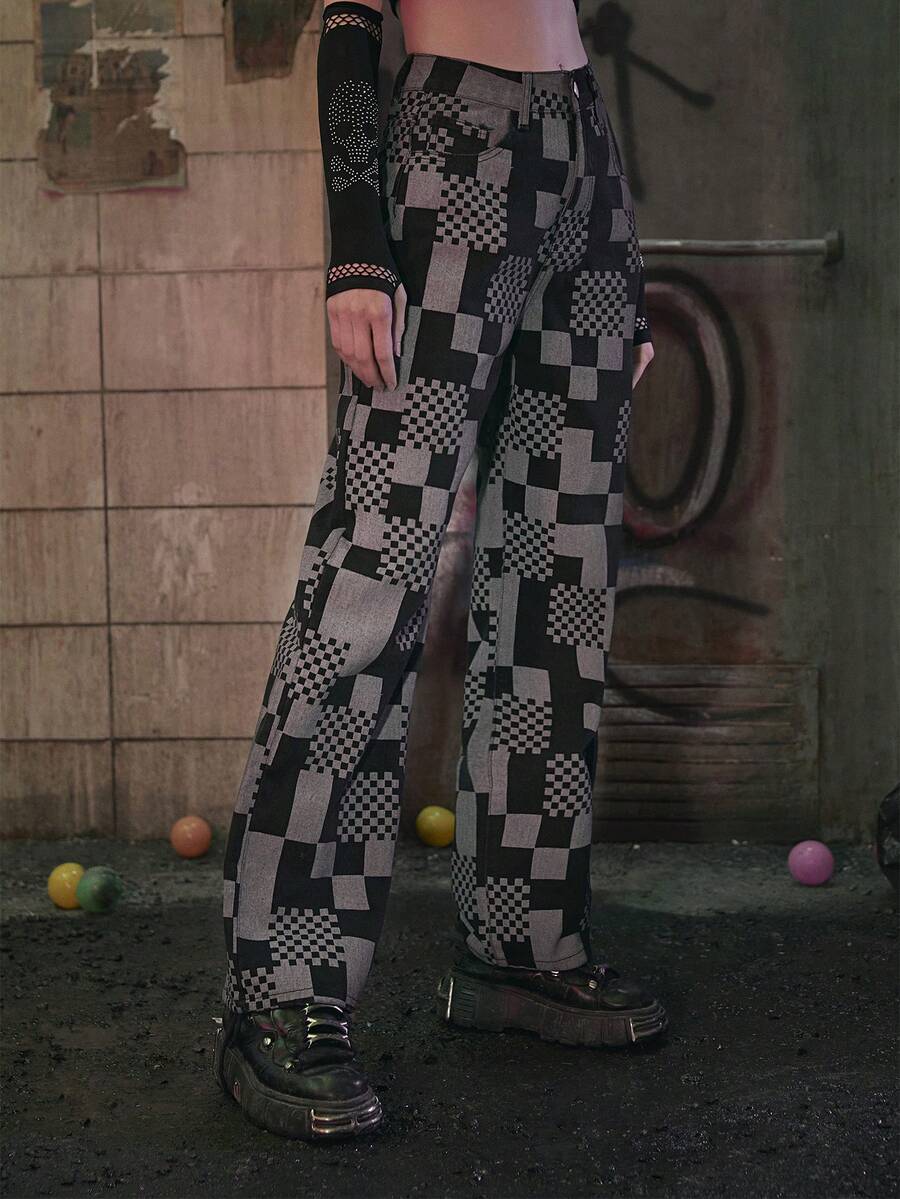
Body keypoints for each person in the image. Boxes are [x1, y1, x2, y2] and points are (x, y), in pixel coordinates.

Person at [212, 0, 665, 1141]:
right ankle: (283, 989)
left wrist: (613, 246)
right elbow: (349, 18)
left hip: (583, 152)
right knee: (372, 575)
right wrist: (358, 241)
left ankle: (522, 941)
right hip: (456, 144)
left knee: (561, 581)